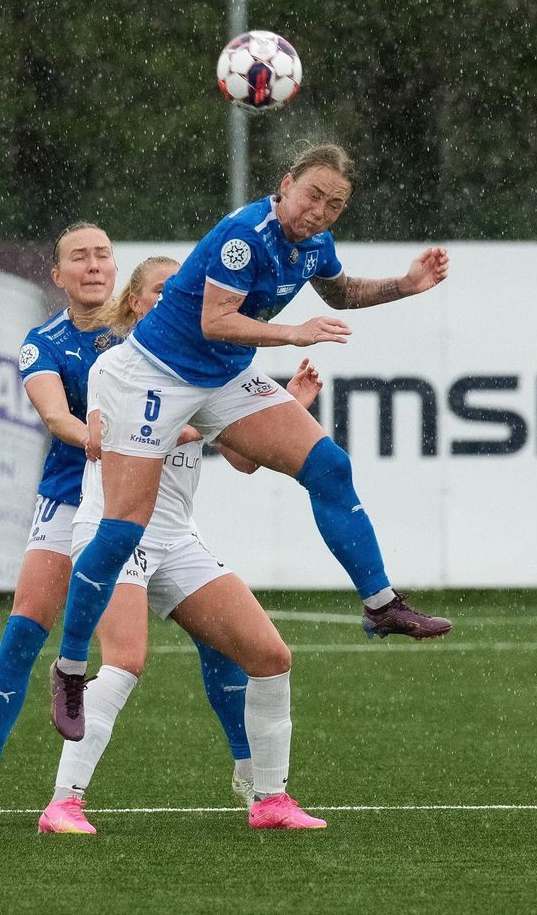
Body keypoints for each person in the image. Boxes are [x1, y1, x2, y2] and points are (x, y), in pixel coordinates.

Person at [51, 142, 453, 743]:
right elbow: (217, 320)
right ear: (286, 184)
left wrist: (405, 284)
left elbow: (339, 293)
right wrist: (293, 333)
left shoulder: (314, 243)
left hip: (223, 375)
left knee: (329, 466)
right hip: (152, 373)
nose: (320, 211)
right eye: (313, 195)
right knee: (123, 527)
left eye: (335, 205)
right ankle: (71, 667)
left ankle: (380, 603)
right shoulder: (245, 233)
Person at [0, 232, 250, 822]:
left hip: (149, 509)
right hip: (74, 500)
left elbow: (216, 428)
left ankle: (250, 771)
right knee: (26, 629)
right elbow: (55, 416)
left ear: (116, 270)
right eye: (79, 258)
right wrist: (94, 435)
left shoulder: (156, 334)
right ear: (58, 275)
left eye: (102, 256)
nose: (93, 266)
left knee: (220, 638)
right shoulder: (45, 343)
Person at [40, 257, 328, 833]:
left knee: (270, 657)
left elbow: (246, 461)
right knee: (125, 661)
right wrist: (191, 419)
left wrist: (289, 406)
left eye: (182, 290)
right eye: (161, 290)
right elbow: (98, 442)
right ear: (136, 304)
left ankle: (270, 800)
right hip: (112, 534)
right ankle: (63, 803)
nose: (175, 297)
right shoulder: (114, 367)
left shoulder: (211, 368)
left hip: (175, 539)